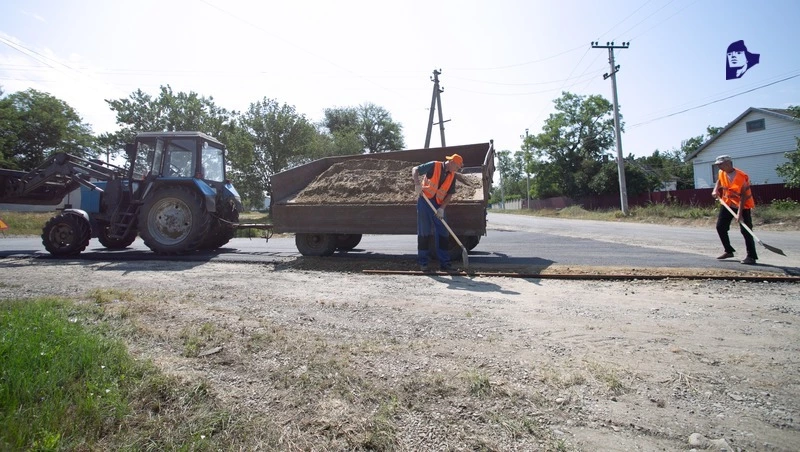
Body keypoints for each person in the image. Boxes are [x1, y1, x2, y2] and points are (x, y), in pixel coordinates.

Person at [412, 154, 463, 272]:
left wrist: (442, 208)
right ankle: (423, 263)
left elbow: (449, 194)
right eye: (456, 167)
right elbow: (415, 170)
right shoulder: (434, 165)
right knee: (424, 231)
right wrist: (417, 184)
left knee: (443, 232)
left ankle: (445, 263)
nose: (457, 170)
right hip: (425, 201)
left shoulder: (452, 176)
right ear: (451, 163)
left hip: (438, 205)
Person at [712, 155, 758, 265]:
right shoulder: (722, 172)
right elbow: (719, 181)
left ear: (728, 163)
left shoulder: (742, 177)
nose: (719, 167)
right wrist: (715, 190)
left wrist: (739, 213)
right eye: (718, 165)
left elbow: (744, 196)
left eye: (720, 164)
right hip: (727, 203)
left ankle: (751, 256)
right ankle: (728, 251)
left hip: (743, 205)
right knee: (720, 227)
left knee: (746, 231)